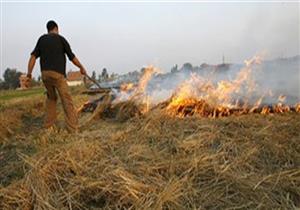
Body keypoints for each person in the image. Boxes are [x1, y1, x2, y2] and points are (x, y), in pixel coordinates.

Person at [27, 20, 87, 132]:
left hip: (45, 75)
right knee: (66, 100)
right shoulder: (61, 39)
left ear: (48, 29)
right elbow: (72, 57)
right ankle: (73, 128)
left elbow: (33, 57)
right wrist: (81, 67)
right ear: (56, 28)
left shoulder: (42, 39)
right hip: (58, 75)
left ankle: (48, 126)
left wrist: (29, 74)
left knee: (51, 98)